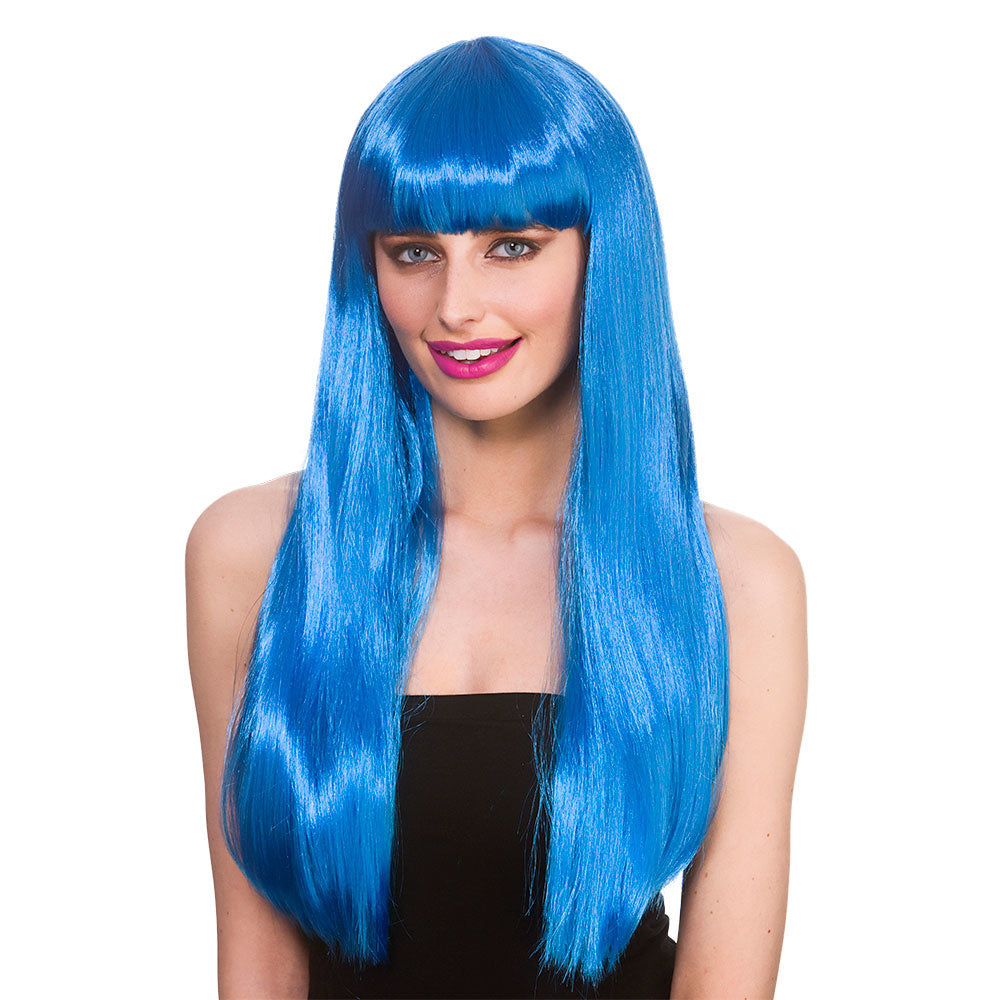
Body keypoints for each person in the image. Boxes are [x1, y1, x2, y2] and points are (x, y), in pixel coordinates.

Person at [186, 35, 808, 1000]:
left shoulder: (732, 579)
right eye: (414, 252)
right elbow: (259, 966)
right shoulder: (255, 553)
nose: (456, 305)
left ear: (605, 254)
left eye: (512, 246)